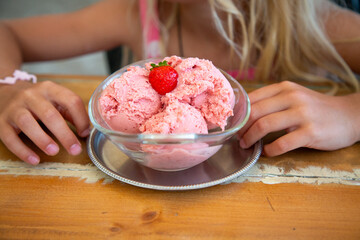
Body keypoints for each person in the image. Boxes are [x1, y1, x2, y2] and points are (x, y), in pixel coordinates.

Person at [0, 0, 359, 165]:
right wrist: (8, 86)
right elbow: (7, 31)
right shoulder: (135, 10)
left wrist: (351, 111)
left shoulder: (311, 22)